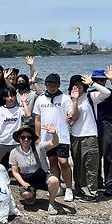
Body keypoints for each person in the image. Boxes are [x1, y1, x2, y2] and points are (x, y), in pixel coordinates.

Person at [32, 73, 77, 202]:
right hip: (47, 138)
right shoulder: (40, 99)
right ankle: (58, 187)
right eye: (49, 84)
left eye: (54, 85)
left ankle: (69, 188)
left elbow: (71, 115)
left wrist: (74, 103)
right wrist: (38, 136)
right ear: (45, 85)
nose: (52, 87)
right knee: (52, 162)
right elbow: (38, 119)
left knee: (63, 162)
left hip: (62, 136)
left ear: (59, 85)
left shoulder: (65, 98)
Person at [68, 74, 111, 202]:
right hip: (75, 136)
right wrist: (74, 100)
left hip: (90, 136)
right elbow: (70, 119)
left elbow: (107, 92)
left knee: (90, 165)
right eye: (75, 85)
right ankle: (80, 189)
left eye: (80, 85)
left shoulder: (90, 97)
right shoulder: (69, 100)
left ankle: (92, 193)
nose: (77, 88)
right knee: (78, 166)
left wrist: (92, 83)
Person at [9, 125, 62, 215]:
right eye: (23, 137)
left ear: (32, 139)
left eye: (29, 137)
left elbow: (54, 143)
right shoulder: (14, 152)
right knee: (26, 195)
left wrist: (54, 134)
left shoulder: (39, 147)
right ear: (19, 139)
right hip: (27, 179)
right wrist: (23, 183)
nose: (26, 140)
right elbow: (15, 171)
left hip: (41, 176)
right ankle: (31, 195)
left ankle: (51, 203)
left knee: (54, 180)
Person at [93, 66, 112, 196]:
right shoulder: (91, 94)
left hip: (107, 124)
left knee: (108, 155)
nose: (99, 82)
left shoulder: (109, 93)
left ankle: (111, 184)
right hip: (93, 125)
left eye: (101, 80)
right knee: (95, 155)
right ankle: (98, 180)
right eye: (96, 80)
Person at [0, 88, 31, 168]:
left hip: (16, 142)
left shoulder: (19, 109)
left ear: (15, 97)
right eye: (7, 96)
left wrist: (24, 102)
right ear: (4, 98)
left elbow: (28, 115)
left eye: (12, 96)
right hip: (2, 141)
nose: (10, 98)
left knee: (21, 165)